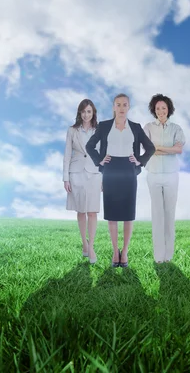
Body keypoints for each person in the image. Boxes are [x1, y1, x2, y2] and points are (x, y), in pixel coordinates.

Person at [86, 93, 155, 268]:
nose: (121, 108)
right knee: (112, 215)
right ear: (113, 107)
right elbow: (90, 146)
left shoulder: (136, 127)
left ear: (128, 107)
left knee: (127, 215)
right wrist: (99, 161)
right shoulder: (104, 126)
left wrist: (139, 160)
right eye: (118, 104)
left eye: (125, 105)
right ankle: (115, 250)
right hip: (110, 170)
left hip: (128, 170)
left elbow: (150, 148)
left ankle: (125, 252)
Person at [143, 94, 185, 263]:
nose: (161, 111)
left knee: (169, 214)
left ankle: (169, 255)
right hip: (153, 174)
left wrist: (157, 148)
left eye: (164, 108)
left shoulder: (176, 128)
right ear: (154, 110)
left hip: (171, 175)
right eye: (158, 108)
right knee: (157, 214)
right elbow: (146, 150)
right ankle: (158, 256)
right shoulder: (147, 128)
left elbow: (178, 150)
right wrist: (168, 149)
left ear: (169, 110)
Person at [63, 99, 101, 264]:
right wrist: (65, 177)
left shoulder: (99, 130)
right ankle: (84, 243)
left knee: (92, 211)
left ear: (93, 113)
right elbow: (67, 154)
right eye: (84, 111)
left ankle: (91, 246)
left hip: (94, 172)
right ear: (80, 113)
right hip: (76, 172)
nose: (86, 115)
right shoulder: (72, 130)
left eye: (89, 112)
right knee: (81, 211)